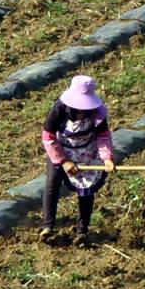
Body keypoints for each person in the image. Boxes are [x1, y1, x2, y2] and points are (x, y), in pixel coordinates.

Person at [40, 73, 116, 240]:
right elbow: (48, 136)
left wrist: (107, 158)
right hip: (61, 150)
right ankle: (47, 227)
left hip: (86, 152)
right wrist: (64, 161)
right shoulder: (59, 109)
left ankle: (82, 230)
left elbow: (103, 136)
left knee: (86, 190)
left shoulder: (97, 112)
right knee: (52, 185)